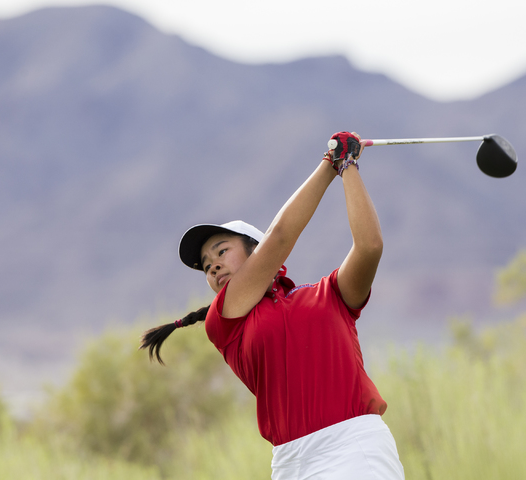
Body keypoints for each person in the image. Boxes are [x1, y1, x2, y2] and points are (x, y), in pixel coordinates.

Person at [141, 132, 405, 479]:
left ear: (257, 250)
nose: (214, 265)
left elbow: (369, 247)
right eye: (206, 266)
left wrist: (349, 166)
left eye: (221, 251)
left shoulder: (329, 295)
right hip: (289, 463)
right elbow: (281, 236)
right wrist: (330, 164)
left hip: (354, 446)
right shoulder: (225, 321)